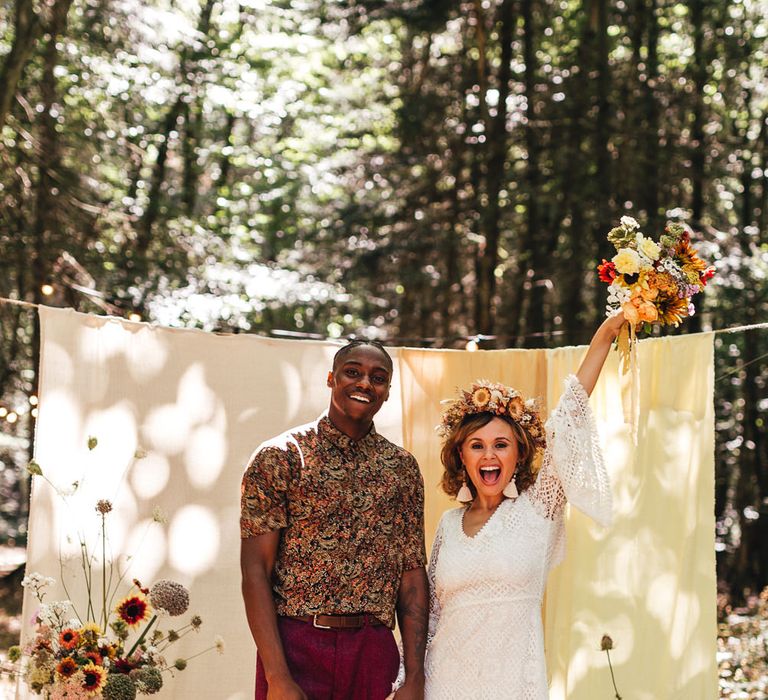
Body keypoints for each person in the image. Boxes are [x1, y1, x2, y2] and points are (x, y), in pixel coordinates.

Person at [423, 312, 627, 699]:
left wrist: (605, 334)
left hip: (514, 683)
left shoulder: (539, 508)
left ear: (519, 455)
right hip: (444, 683)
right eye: (477, 446)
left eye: (501, 445)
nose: (489, 456)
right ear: (461, 456)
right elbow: (431, 617)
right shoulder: (448, 526)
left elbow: (569, 415)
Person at [240, 339, 429, 700]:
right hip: (296, 646)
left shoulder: (402, 469)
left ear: (387, 392)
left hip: (373, 651)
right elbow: (255, 572)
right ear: (331, 378)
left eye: (378, 378)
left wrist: (415, 677)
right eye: (352, 372)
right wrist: (277, 675)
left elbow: (412, 576)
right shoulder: (280, 457)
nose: (364, 384)